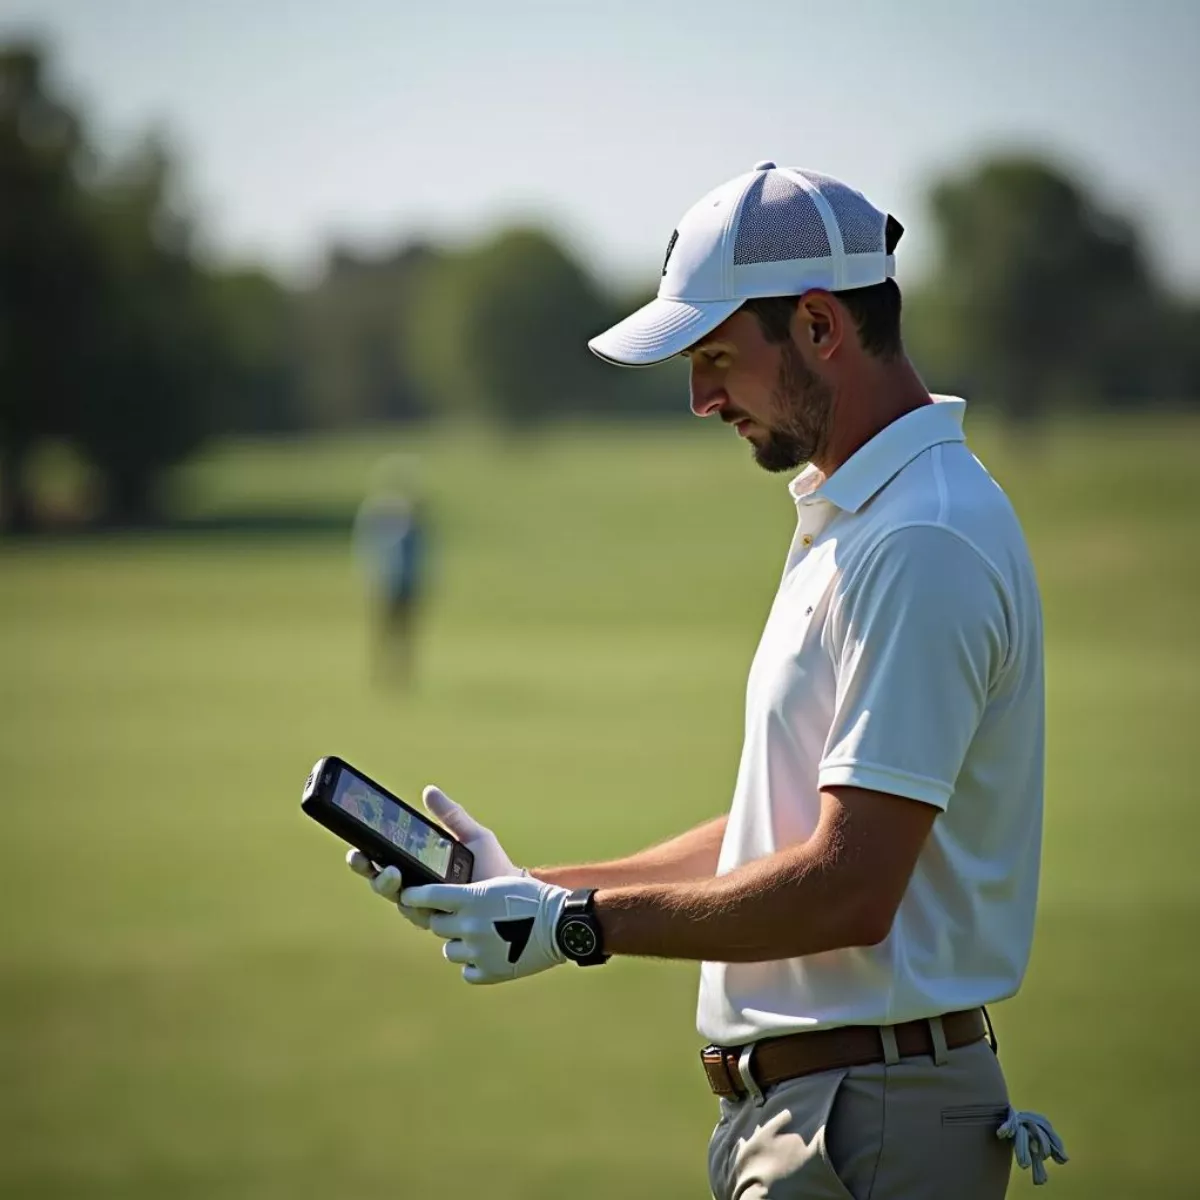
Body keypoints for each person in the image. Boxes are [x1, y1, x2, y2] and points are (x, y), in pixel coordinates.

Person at [345, 162, 1067, 1196]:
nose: (699, 398)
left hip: (872, 1124)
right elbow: (772, 838)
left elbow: (850, 887)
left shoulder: (922, 538)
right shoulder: (862, 521)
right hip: (835, 1115)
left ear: (821, 326)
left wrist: (581, 928)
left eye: (719, 357)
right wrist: (537, 890)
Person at [352, 455, 427, 688]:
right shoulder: (378, 511)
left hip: (408, 583)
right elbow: (369, 547)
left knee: (406, 634)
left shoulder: (417, 514)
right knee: (383, 632)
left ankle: (404, 677)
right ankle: (380, 676)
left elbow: (423, 552)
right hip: (384, 582)